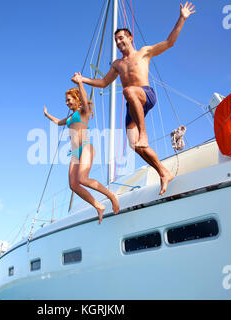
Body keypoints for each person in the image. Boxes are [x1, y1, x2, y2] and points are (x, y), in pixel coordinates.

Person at [74, 2, 196, 196]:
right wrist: (83, 79)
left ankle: (144, 134)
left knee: (129, 91)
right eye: (116, 40)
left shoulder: (144, 52)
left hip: (145, 94)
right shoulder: (117, 64)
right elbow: (104, 82)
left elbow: (169, 42)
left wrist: (182, 17)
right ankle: (163, 172)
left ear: (130, 38)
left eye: (122, 38)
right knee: (135, 146)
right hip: (132, 103)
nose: (119, 42)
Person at [43, 73, 119, 224]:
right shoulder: (70, 118)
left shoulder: (83, 112)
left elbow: (85, 100)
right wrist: (47, 115)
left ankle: (111, 196)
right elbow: (58, 122)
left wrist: (80, 83)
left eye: (68, 100)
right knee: (73, 185)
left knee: (83, 179)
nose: (66, 103)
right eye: (66, 101)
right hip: (75, 153)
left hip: (85, 147)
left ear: (76, 99)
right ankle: (98, 206)